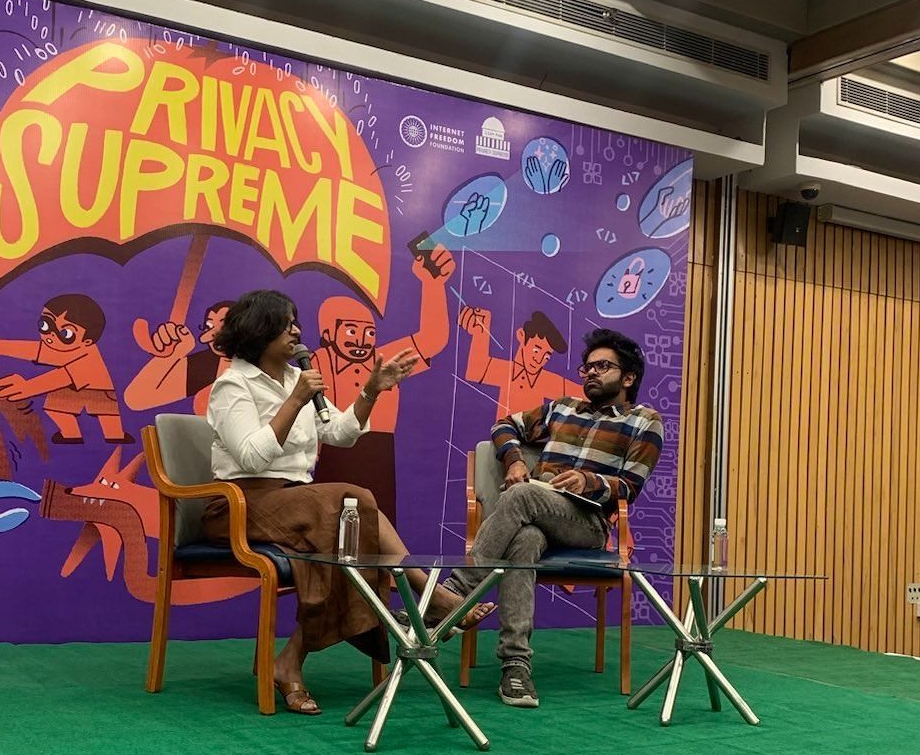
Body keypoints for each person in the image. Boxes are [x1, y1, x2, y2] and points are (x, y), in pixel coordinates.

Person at [204, 289, 493, 715]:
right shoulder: (233, 385)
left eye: (296, 323)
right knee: (353, 500)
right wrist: (295, 401)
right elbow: (250, 457)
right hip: (241, 505)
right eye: (286, 325)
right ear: (259, 331)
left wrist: (371, 390)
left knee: (345, 536)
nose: (296, 331)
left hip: (296, 507)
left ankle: (290, 662)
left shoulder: (297, 378)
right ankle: (428, 595)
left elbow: (340, 433)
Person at [444, 328, 663, 710]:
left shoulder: (644, 421)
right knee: (525, 539)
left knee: (522, 494)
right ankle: (515, 666)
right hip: (537, 509)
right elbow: (504, 425)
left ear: (628, 378)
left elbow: (630, 486)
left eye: (603, 366)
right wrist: (514, 461)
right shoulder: (562, 408)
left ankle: (450, 598)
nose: (590, 372)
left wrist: (587, 480)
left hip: (587, 521)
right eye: (587, 367)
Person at [313, 243, 455, 517]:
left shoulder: (383, 360)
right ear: (328, 333)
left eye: (369, 333)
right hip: (334, 452)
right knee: (328, 524)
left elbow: (433, 338)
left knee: (379, 523)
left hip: (379, 454)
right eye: (351, 331)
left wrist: (433, 284)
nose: (361, 341)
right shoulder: (317, 361)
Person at [0, 294, 130, 444]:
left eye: (66, 333)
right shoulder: (67, 347)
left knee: (107, 416)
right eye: (46, 324)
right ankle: (71, 435)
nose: (51, 335)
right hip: (70, 387)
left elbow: (61, 377)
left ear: (86, 341)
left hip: (98, 389)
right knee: (56, 410)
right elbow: (37, 350)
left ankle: (116, 436)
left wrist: (28, 387)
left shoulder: (87, 359)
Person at [458, 305, 583, 416]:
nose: (539, 360)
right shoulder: (505, 371)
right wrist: (480, 333)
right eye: (536, 350)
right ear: (521, 335)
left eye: (547, 356)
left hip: (532, 435)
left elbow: (583, 394)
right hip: (503, 433)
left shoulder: (546, 380)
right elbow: (476, 372)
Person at [124, 301, 233, 415]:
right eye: (208, 326)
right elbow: (136, 399)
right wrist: (173, 354)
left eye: (224, 326)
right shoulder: (203, 365)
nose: (209, 336)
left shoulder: (245, 367)